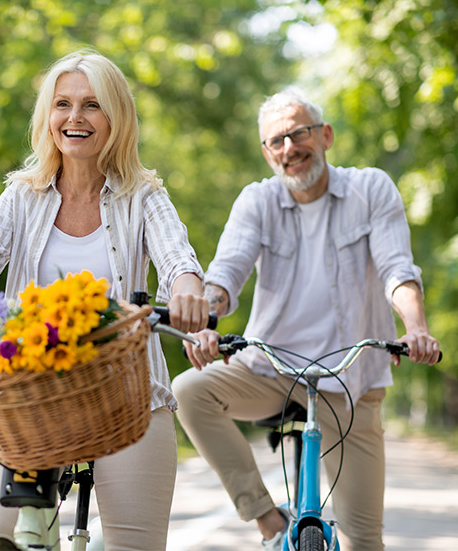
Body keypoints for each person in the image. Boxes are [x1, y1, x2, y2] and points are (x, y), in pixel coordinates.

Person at [0, 50, 210, 551]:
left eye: (92, 105)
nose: (75, 117)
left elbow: (176, 257)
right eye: (62, 104)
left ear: (116, 117)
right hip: (35, 396)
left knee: (137, 543)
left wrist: (190, 293)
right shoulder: (23, 196)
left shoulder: (144, 197)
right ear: (48, 118)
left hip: (129, 396)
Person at [172, 88, 440, 551]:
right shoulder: (257, 201)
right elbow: (225, 275)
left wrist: (415, 328)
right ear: (266, 153)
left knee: (364, 539)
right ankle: (266, 519)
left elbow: (398, 269)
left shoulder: (371, 189)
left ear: (325, 135)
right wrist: (206, 321)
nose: (289, 148)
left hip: (351, 379)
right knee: (191, 391)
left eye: (298, 134)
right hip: (269, 369)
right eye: (276, 141)